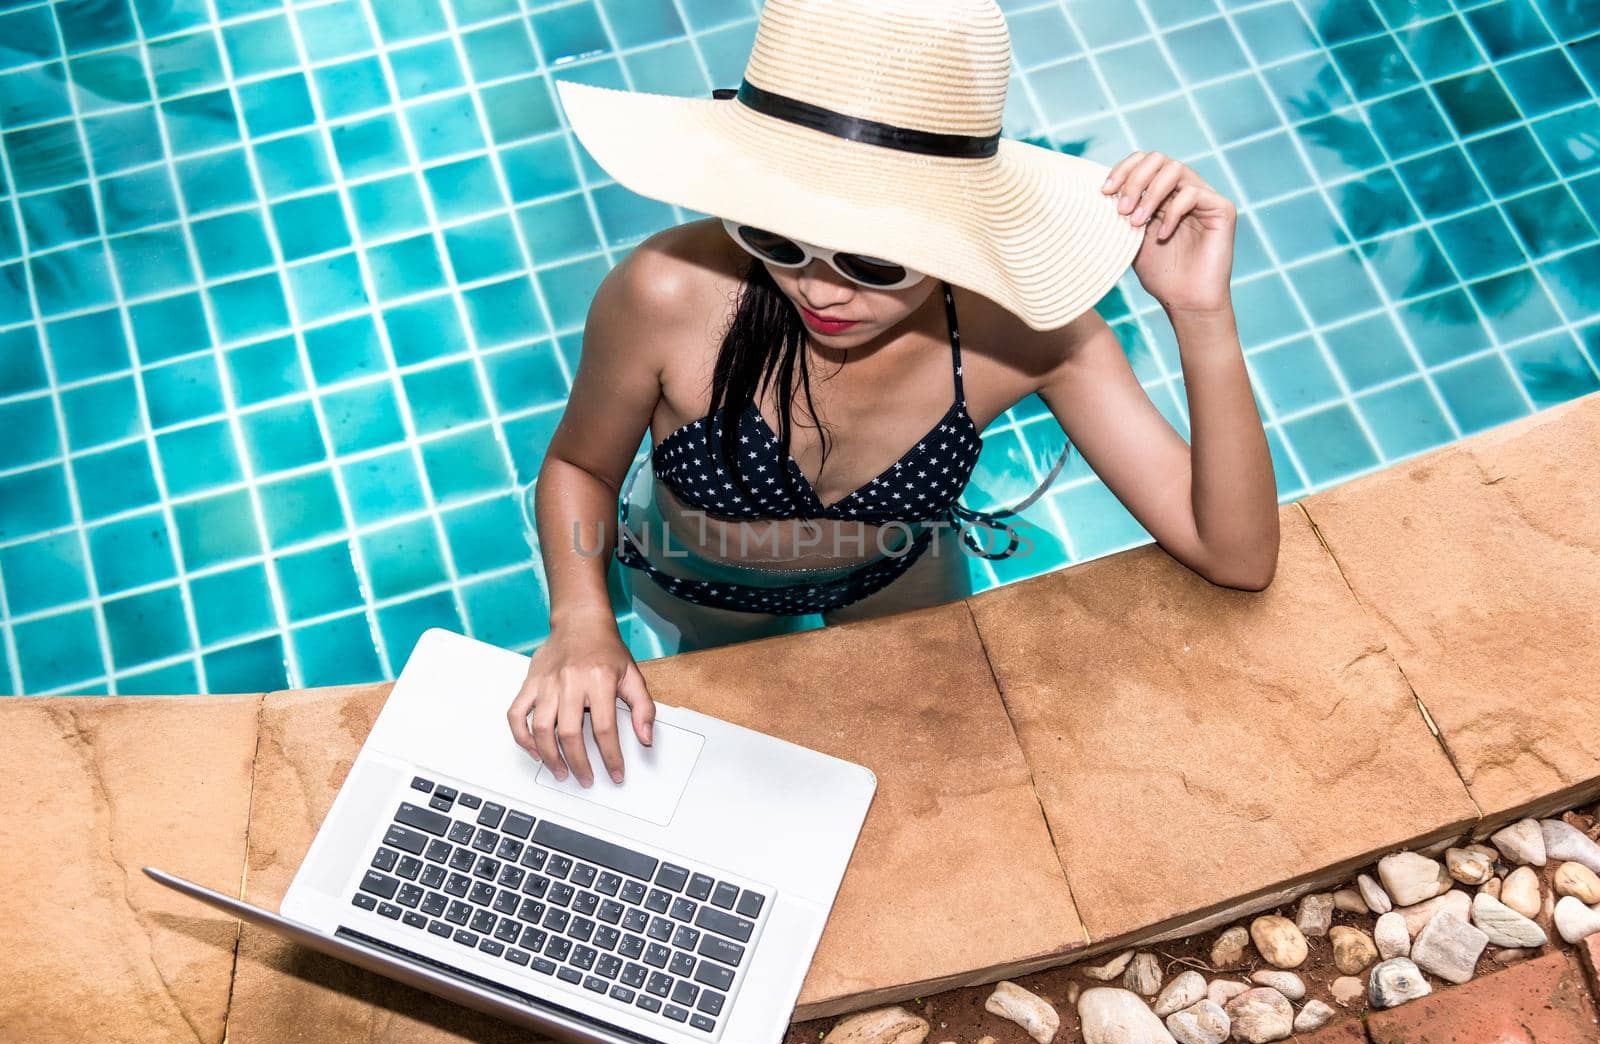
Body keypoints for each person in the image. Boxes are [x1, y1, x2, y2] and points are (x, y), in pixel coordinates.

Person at [505, 0, 1279, 790]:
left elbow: (1237, 557)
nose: (818, 288)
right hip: (702, 582)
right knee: (724, 759)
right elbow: (582, 468)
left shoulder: (1030, 336)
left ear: (955, 231)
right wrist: (582, 620)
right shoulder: (669, 293)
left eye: (873, 264)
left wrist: (1200, 314)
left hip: (897, 579)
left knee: (925, 767)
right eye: (774, 238)